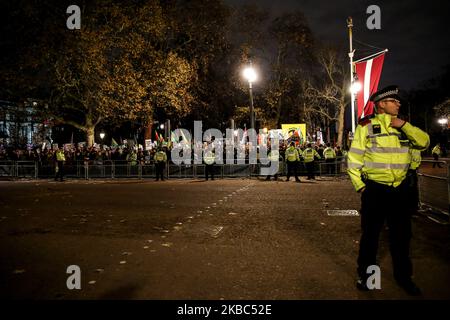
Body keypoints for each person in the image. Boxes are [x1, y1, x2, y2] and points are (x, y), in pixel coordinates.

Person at [347, 85, 429, 296]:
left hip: (400, 190)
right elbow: (354, 159)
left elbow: (424, 142)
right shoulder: (366, 126)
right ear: (382, 104)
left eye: (398, 101)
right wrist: (361, 187)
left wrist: (404, 125)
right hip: (375, 190)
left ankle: (404, 278)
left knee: (402, 237)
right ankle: (368, 278)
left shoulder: (404, 126)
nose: (398, 103)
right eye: (394, 101)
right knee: (371, 238)